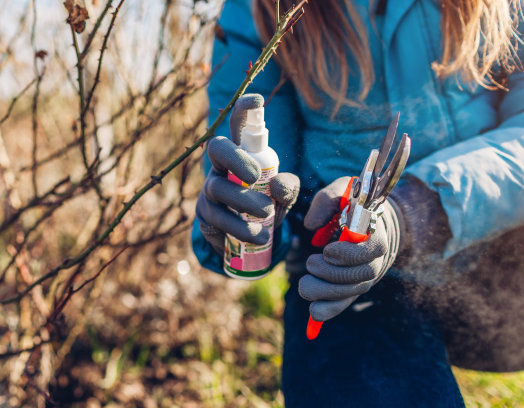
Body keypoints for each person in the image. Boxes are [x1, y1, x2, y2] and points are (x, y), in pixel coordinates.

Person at [192, 0, 524, 406]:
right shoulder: (257, 8)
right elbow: (261, 159)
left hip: (507, 249)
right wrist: (236, 221)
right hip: (346, 269)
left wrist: (416, 209)